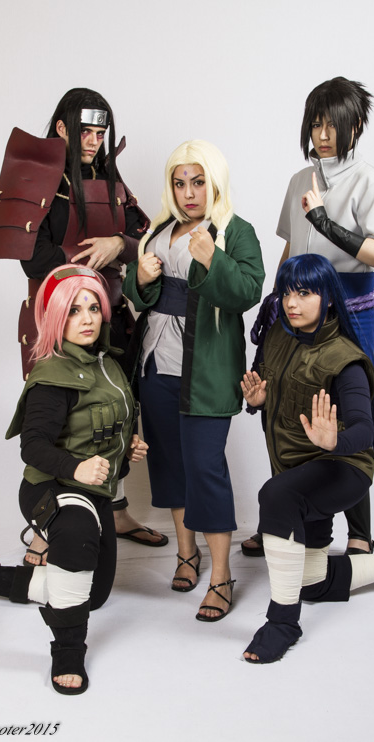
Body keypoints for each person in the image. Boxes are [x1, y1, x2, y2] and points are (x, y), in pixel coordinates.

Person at [0, 87, 167, 561]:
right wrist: (89, 274)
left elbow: (146, 237)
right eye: (85, 130)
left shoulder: (110, 179)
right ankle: (45, 525)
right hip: (57, 318)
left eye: (100, 132)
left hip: (110, 317)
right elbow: (32, 257)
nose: (93, 140)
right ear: (62, 127)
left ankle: (115, 511)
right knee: (59, 418)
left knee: (115, 410)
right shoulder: (39, 177)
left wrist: (117, 244)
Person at [0, 265, 149, 693]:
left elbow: (110, 426)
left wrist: (128, 447)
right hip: (51, 487)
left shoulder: (109, 363)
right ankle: (68, 652)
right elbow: (33, 447)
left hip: (95, 491)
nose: (87, 318)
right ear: (56, 317)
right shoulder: (51, 376)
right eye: (74, 310)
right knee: (76, 539)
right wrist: (75, 468)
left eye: (92, 307)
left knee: (93, 595)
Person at [241, 254, 374, 664]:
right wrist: (257, 401)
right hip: (300, 471)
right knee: (313, 584)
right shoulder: (278, 336)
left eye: (305, 293)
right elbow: (267, 388)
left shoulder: (345, 358)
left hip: (342, 469)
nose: (292, 302)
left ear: (330, 297)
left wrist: (334, 441)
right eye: (286, 292)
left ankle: (283, 624)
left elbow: (365, 431)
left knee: (275, 496)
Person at [242, 76, 374, 558]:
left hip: (350, 306)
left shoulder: (371, 181)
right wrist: (276, 301)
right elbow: (292, 247)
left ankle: (360, 533)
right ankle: (282, 511)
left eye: (333, 124)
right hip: (297, 306)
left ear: (357, 124)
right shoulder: (299, 180)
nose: (323, 135)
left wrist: (325, 223)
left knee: (350, 411)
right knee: (282, 397)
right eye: (315, 124)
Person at [123, 140, 264, 621]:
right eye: (180, 183)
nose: (188, 193)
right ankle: (187, 554)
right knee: (169, 465)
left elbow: (248, 292)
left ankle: (221, 575)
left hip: (206, 370)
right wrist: (140, 278)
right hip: (156, 365)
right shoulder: (159, 230)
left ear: (215, 182)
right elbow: (137, 294)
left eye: (198, 182)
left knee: (205, 468)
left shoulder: (235, 230)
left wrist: (212, 259)